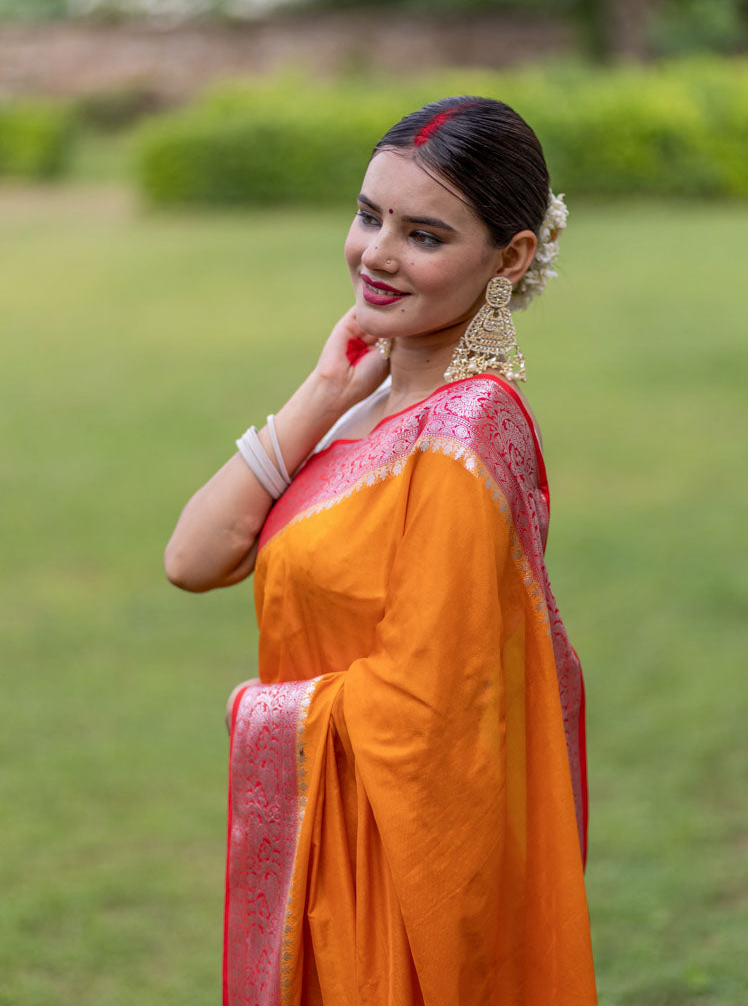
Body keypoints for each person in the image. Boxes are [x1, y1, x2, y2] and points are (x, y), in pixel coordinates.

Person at [165, 96, 597, 1006]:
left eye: (425, 235)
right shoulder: (362, 410)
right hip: (329, 857)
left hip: (392, 886)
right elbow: (194, 558)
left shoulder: (465, 433)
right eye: (369, 215)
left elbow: (430, 713)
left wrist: (274, 717)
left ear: (511, 258)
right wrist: (323, 390)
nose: (377, 254)